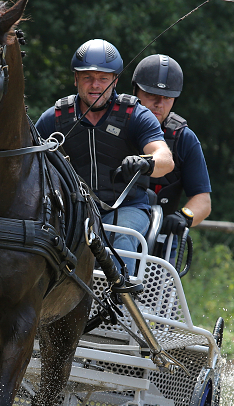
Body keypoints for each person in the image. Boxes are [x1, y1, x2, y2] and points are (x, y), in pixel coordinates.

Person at [35, 39, 174, 278]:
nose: (95, 85)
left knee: (121, 239)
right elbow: (30, 164)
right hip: (71, 211)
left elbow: (165, 159)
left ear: (115, 80)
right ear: (76, 79)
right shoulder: (55, 118)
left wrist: (145, 162)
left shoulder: (136, 115)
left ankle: (118, 308)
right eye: (87, 77)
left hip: (127, 208)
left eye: (103, 78)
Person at [131, 54, 212, 241]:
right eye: (151, 95)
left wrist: (183, 217)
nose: (159, 104)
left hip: (160, 242)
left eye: (167, 97)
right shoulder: (115, 126)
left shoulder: (185, 139)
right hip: (110, 231)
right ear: (135, 91)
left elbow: (203, 200)